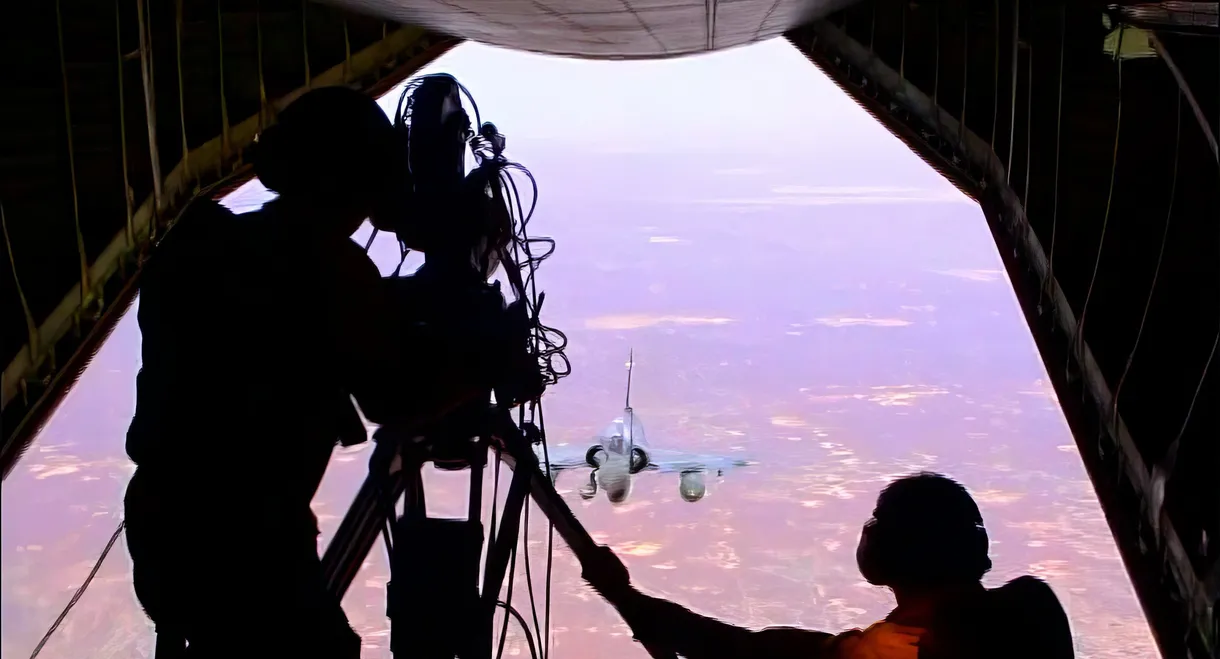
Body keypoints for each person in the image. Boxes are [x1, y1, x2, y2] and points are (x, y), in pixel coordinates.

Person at [122, 86, 484, 657]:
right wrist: (487, 358)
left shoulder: (214, 246)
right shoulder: (327, 267)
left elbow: (280, 322)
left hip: (165, 535)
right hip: (247, 553)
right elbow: (397, 397)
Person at [583, 471, 1075, 659]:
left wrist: (622, 595)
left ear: (885, 551)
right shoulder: (1036, 608)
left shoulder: (900, 650)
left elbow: (735, 649)